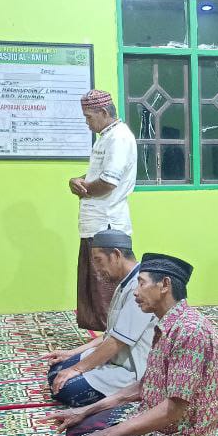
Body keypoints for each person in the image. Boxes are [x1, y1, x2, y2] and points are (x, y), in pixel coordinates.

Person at [51, 253, 218, 436]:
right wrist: (85, 410)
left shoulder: (190, 332)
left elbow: (173, 410)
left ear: (165, 285)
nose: (135, 292)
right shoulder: (168, 322)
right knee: (77, 432)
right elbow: (146, 384)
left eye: (142, 283)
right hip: (154, 414)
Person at [42, 229, 156, 408]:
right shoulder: (126, 282)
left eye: (98, 260)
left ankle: (130, 394)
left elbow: (117, 341)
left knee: (67, 389)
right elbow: (112, 334)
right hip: (114, 358)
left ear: (116, 255)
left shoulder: (140, 287)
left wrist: (77, 368)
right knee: (56, 371)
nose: (97, 269)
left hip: (130, 369)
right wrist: (72, 353)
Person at [70, 90, 137, 331]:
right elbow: (99, 175)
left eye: (89, 117)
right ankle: (104, 339)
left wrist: (83, 189)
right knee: (95, 289)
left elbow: (108, 182)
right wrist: (77, 181)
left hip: (106, 225)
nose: (87, 123)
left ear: (103, 112)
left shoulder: (119, 138)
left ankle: (113, 340)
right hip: (96, 223)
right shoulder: (107, 136)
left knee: (106, 289)